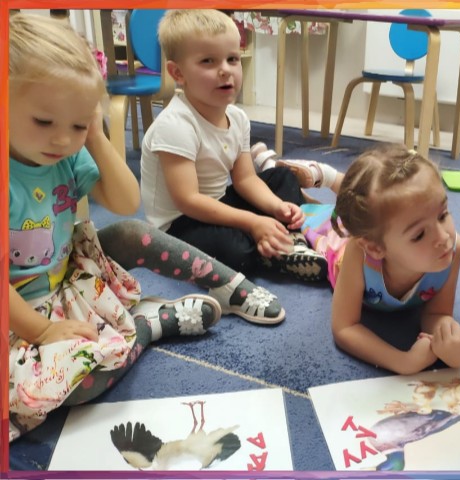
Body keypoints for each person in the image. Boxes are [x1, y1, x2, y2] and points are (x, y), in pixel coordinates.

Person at [7, 13, 284, 442]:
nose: (62, 139)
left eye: (76, 124)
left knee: (131, 232)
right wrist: (42, 332)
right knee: (65, 389)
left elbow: (124, 201)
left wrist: (94, 135)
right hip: (19, 315)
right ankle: (149, 325)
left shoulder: (67, 151)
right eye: (45, 122)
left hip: (71, 279)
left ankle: (232, 286)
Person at [140, 9, 327, 282]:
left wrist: (277, 207)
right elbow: (188, 200)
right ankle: (276, 248)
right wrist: (252, 222)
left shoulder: (237, 117)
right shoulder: (175, 125)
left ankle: (284, 237)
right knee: (234, 251)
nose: (225, 70)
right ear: (178, 73)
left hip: (217, 204)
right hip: (178, 226)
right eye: (208, 61)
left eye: (232, 59)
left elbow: (245, 179)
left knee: (283, 178)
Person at [299, 144, 460, 375]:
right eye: (419, 235)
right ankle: (313, 179)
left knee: (366, 214)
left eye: (442, 215)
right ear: (375, 248)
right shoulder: (359, 252)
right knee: (300, 215)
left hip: (375, 231)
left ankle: (331, 180)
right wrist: (402, 361)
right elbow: (344, 328)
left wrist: (449, 340)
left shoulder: (452, 250)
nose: (444, 238)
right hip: (338, 249)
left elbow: (436, 313)